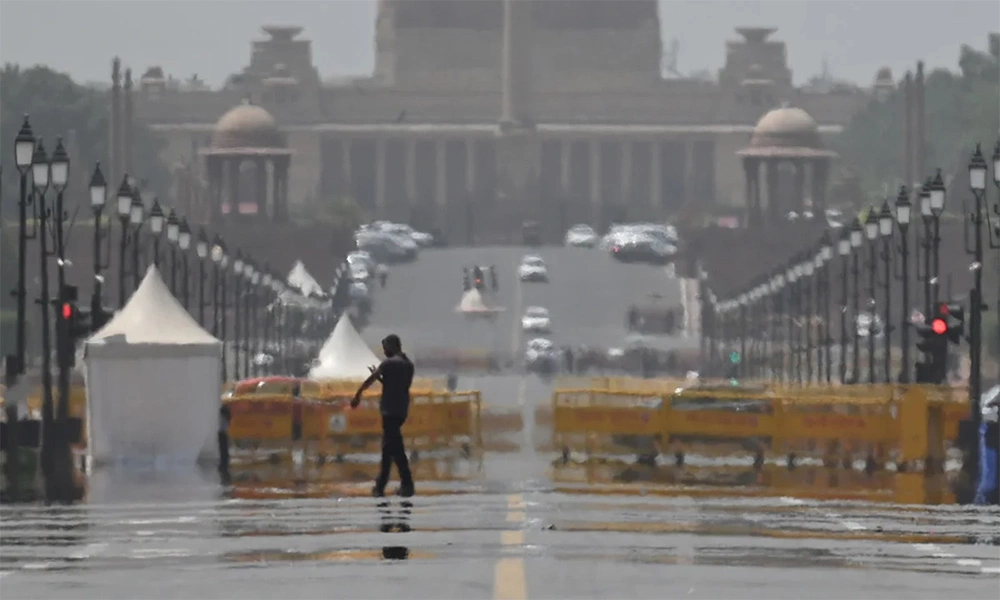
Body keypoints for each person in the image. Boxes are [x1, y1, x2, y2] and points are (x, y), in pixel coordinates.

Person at [351, 334, 415, 497]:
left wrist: (358, 395)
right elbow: (396, 386)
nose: (384, 351)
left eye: (386, 347)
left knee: (396, 448)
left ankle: (407, 484)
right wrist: (381, 377)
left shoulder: (388, 364)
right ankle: (380, 486)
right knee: (388, 448)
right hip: (401, 410)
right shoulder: (408, 365)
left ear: (393, 346)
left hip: (389, 410)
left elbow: (369, 380)